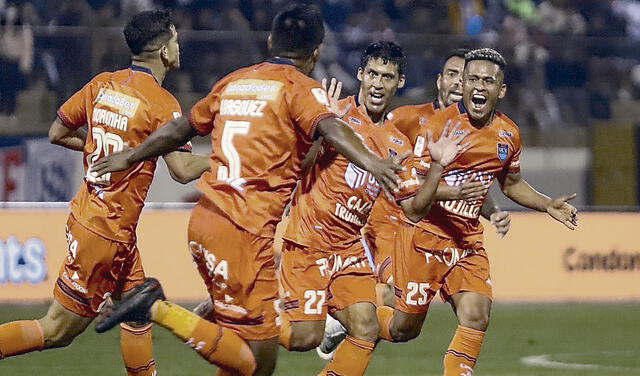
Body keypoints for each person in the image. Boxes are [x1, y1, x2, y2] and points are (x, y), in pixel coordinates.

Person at [89, 4, 407, 376]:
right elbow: (331, 129)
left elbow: (182, 129)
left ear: (271, 40)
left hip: (205, 223)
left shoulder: (235, 80)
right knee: (258, 362)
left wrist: (132, 155)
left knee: (253, 358)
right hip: (245, 233)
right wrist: (373, 162)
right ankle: (157, 307)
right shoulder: (302, 90)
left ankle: (194, 308)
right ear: (317, 51)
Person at [0, 10, 209, 376]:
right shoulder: (162, 104)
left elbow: (57, 132)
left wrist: (97, 149)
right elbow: (181, 170)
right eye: (175, 39)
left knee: (138, 311)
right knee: (57, 330)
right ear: (163, 51)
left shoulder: (104, 84)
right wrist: (229, 161)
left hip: (97, 217)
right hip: (106, 233)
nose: (179, 46)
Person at [372, 48, 578, 375]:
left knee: (477, 315)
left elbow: (511, 185)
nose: (479, 87)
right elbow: (414, 203)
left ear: (502, 90)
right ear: (463, 84)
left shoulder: (508, 134)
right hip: (423, 240)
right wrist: (450, 185)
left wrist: (546, 203)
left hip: (467, 243)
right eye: (473, 79)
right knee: (403, 330)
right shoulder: (436, 128)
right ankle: (361, 319)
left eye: (488, 80)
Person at [278, 41, 471, 376]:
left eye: (387, 76)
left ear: (399, 82)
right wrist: (320, 133)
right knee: (302, 338)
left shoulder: (398, 142)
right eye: (372, 74)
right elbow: (298, 165)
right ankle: (249, 312)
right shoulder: (334, 115)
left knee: (366, 328)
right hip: (310, 241)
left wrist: (438, 167)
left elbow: (412, 207)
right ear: (360, 75)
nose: (378, 83)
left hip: (350, 249)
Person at [362, 48, 511, 307]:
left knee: (409, 323)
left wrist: (493, 211)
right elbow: (366, 142)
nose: (457, 81)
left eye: (463, 76)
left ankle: (350, 326)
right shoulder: (406, 118)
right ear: (440, 81)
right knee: (391, 293)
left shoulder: (474, 130)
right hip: (392, 223)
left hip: (440, 233)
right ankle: (348, 322)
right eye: (452, 74)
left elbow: (468, 187)